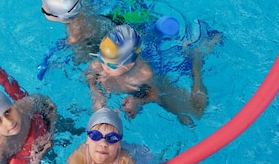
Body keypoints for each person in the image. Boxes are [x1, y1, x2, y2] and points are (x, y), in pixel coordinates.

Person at [85, 24, 214, 127]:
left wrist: (138, 102)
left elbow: (157, 95)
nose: (104, 66)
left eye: (112, 66)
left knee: (195, 112)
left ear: (129, 65)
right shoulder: (98, 64)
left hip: (152, 77)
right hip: (137, 58)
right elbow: (90, 76)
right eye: (102, 59)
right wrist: (96, 94)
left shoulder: (144, 74)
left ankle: (196, 62)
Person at [41, 0, 115, 63]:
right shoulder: (81, 5)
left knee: (78, 60)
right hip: (106, 21)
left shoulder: (74, 33)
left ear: (62, 18)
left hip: (102, 39)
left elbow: (73, 43)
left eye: (43, 10)